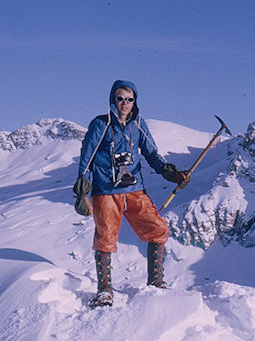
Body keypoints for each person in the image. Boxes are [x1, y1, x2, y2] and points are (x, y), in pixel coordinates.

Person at [74, 79, 189, 308]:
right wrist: (82, 192)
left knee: (158, 229)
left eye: (129, 99)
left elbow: (152, 153)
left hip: (134, 189)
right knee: (105, 238)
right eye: (120, 98)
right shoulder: (100, 124)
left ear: (134, 101)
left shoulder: (138, 124)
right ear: (112, 100)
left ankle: (156, 282)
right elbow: (86, 160)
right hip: (105, 191)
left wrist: (171, 173)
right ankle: (104, 291)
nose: (124, 103)